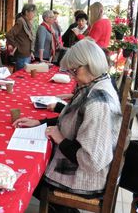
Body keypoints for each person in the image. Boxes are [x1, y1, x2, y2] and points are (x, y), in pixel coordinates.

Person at [12, 40, 122, 210]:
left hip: (85, 178)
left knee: (25, 173)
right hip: (80, 165)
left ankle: (63, 208)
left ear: (90, 64)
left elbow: (91, 161)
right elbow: (72, 118)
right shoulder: (95, 83)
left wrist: (60, 139)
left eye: (74, 70)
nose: (72, 76)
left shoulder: (98, 103)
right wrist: (39, 122)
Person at [6, 4, 36, 70]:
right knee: (21, 76)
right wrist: (17, 46)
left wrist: (31, 52)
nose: (34, 14)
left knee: (24, 76)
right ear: (26, 12)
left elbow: (29, 39)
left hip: (27, 54)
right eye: (33, 12)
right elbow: (9, 35)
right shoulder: (21, 21)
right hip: (22, 55)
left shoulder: (27, 22)